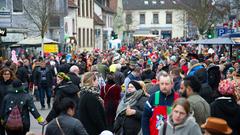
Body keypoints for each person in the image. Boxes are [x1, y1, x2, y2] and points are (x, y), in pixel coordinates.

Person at [0, 68, 16, 135]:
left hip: (11, 109)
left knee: (11, 129)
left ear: (10, 75)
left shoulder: (14, 84)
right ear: (2, 75)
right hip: (0, 108)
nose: (7, 75)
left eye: (8, 74)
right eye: (5, 74)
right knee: (1, 129)